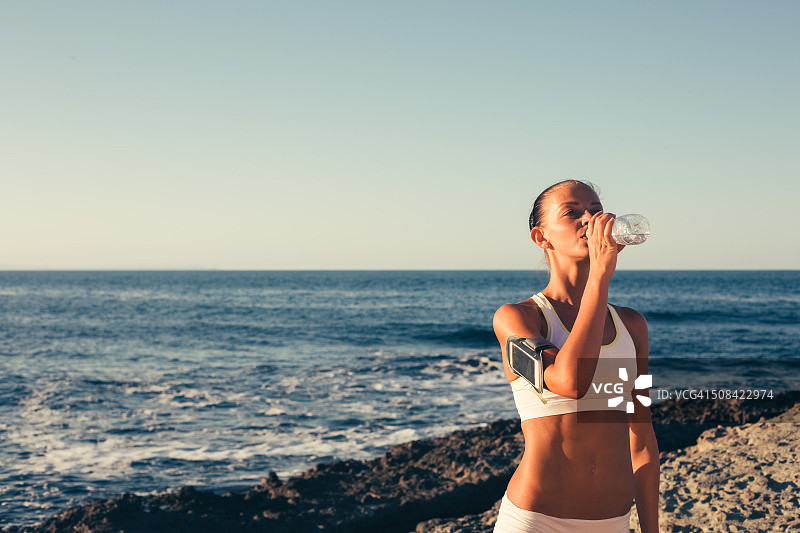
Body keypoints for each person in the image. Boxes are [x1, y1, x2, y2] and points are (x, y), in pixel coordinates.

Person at [492, 180, 660, 533]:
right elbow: (570, 382)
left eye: (595, 210)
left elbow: (642, 440)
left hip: (613, 523)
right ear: (541, 237)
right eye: (572, 213)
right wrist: (600, 274)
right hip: (536, 521)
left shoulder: (632, 326)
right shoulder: (518, 319)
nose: (590, 219)